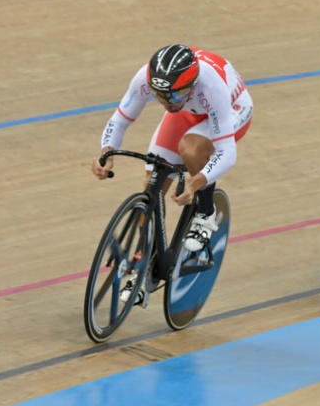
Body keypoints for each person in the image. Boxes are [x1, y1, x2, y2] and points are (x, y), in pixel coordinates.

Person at [91, 44, 253, 252]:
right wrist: (107, 152)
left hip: (232, 109)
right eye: (160, 96)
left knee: (191, 150)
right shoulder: (146, 80)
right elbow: (120, 120)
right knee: (152, 185)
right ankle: (149, 260)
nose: (167, 103)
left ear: (192, 85)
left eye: (174, 96)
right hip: (189, 109)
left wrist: (195, 182)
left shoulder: (211, 87)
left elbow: (226, 152)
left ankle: (205, 213)